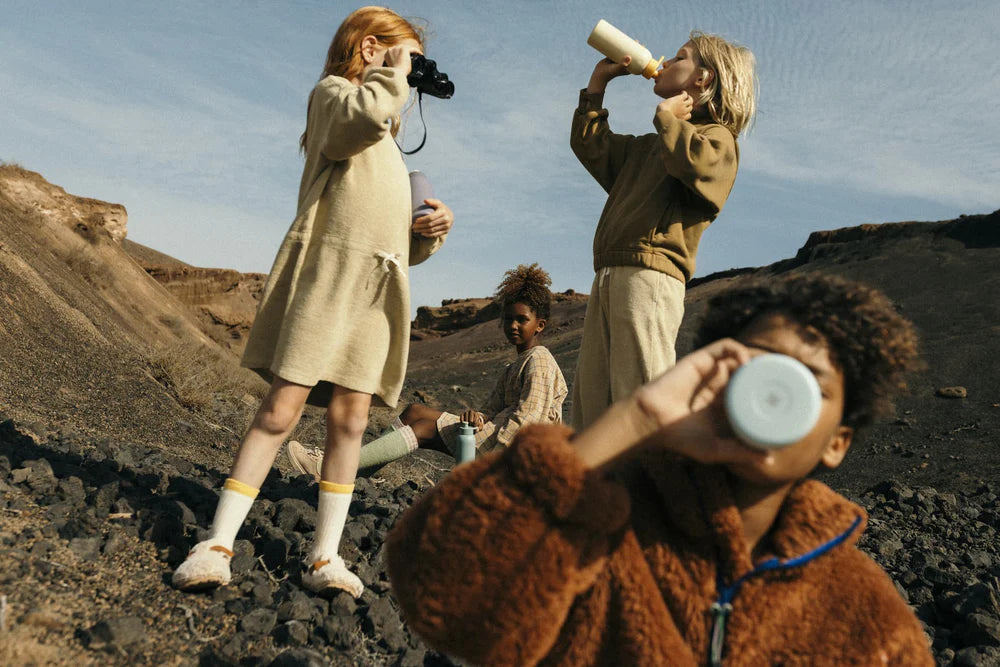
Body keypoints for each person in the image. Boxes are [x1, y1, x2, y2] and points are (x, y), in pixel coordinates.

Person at [385, 272, 933, 666]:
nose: (775, 394)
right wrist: (641, 415)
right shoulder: (600, 525)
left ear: (838, 442)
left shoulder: (867, 620)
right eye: (758, 368)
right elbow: (437, 597)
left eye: (808, 386)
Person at [172, 6, 454, 598]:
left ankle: (324, 555)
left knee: (351, 419)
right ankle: (217, 542)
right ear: (370, 48)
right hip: (329, 278)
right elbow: (364, 119)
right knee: (282, 409)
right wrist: (391, 77)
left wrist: (428, 234)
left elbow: (398, 243)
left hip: (375, 292)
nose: (414, 70)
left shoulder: (390, 146)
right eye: (405, 54)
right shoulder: (335, 98)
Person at [570, 30, 758, 430]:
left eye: (680, 57)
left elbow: (694, 165)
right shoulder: (648, 147)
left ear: (702, 78)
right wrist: (597, 86)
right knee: (593, 408)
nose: (665, 62)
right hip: (609, 274)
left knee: (644, 401)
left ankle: (656, 487)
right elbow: (593, 147)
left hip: (649, 278)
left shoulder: (717, 139)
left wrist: (668, 119)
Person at [287, 263, 568, 477]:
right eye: (508, 319)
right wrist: (476, 416)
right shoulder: (514, 365)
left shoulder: (539, 360)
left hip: (507, 452)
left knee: (422, 427)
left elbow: (528, 423)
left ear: (539, 325)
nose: (513, 325)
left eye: (522, 319)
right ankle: (355, 471)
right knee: (414, 412)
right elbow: (490, 411)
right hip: (493, 434)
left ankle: (330, 468)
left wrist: (491, 471)